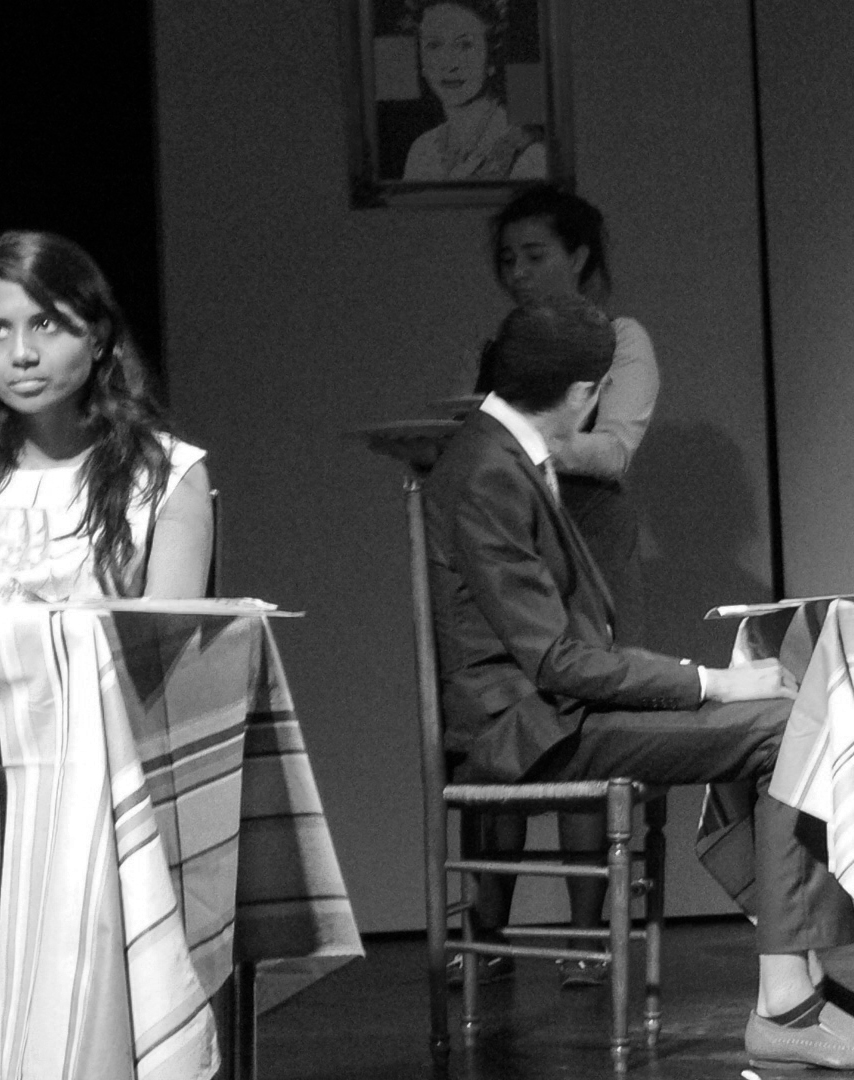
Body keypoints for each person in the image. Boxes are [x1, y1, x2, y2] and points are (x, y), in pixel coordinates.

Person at [425, 295, 854, 1070]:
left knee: (790, 715)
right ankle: (786, 999)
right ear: (582, 394)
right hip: (529, 727)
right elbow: (556, 660)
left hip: (556, 709)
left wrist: (699, 683)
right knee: (784, 727)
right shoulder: (487, 469)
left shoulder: (499, 452)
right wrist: (709, 683)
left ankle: (802, 974)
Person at [465, 185, 658, 988]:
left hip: (587, 554)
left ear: (578, 257)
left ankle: (587, 937)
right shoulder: (501, 352)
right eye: (507, 259)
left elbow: (611, 450)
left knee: (583, 736)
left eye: (534, 255)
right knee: (497, 733)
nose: (517, 272)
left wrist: (518, 443)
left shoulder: (619, 340)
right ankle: (485, 934)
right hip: (512, 555)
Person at [0, 230, 212, 600]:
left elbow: (172, 632)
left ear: (98, 338)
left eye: (45, 324)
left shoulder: (165, 475)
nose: (21, 354)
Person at [400, 0, 547, 181]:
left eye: (465, 45)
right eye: (434, 45)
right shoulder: (423, 150)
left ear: (491, 56)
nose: (449, 64)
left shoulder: (530, 153)